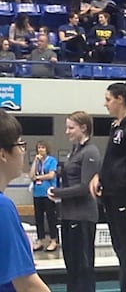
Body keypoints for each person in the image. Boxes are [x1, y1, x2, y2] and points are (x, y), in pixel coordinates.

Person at [89, 81, 126, 292]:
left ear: (120, 100)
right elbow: (112, 160)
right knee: (121, 250)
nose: (105, 104)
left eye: (108, 100)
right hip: (112, 196)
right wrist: (100, 177)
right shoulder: (117, 126)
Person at [48, 111, 101, 292]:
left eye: (71, 128)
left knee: (82, 267)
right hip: (69, 215)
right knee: (71, 266)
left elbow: (85, 187)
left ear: (83, 128)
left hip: (82, 216)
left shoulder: (90, 152)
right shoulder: (75, 151)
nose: (67, 132)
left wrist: (57, 192)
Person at [0, 110, 51, 292]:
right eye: (20, 144)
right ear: (3, 154)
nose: (23, 151)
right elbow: (27, 286)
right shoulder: (3, 208)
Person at [29, 140, 59, 252]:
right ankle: (40, 240)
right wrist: (35, 162)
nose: (40, 150)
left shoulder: (52, 160)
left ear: (47, 149)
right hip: (37, 193)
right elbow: (31, 175)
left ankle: (53, 240)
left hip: (48, 193)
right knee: (39, 218)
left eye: (43, 147)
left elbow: (51, 175)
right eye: (39, 147)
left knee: (51, 217)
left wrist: (38, 177)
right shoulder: (37, 162)